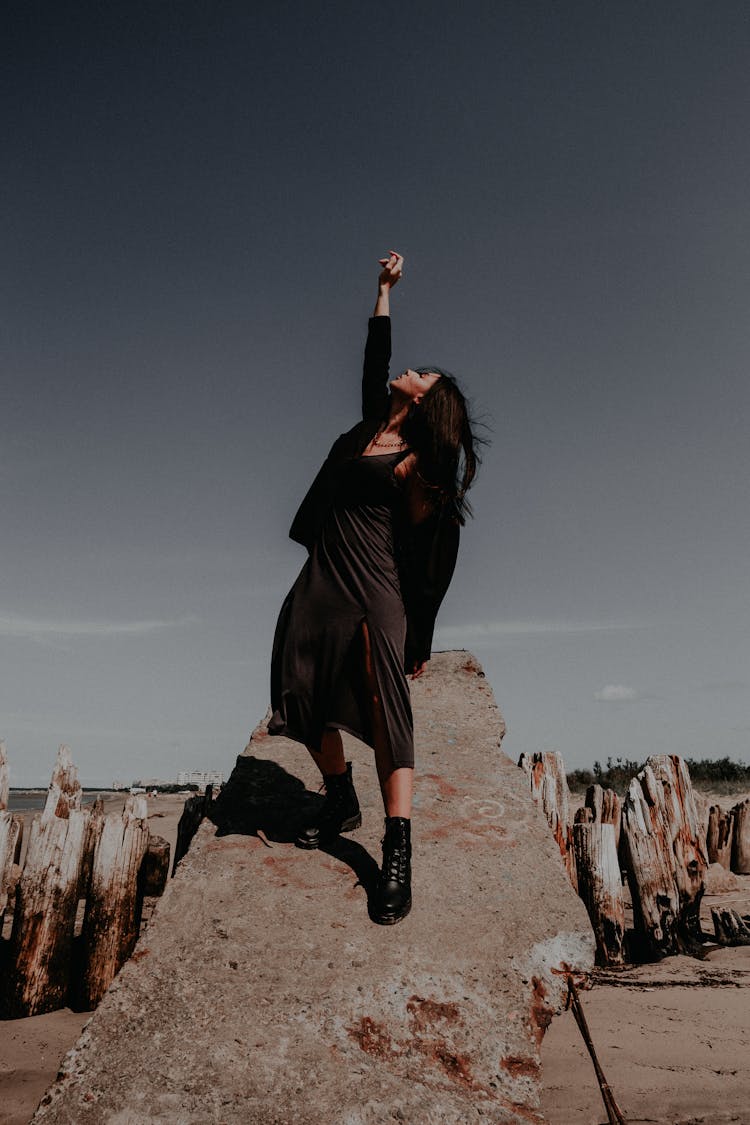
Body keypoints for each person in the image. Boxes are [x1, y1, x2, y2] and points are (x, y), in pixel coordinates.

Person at [268, 251, 480, 924]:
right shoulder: (368, 428)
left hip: (377, 587)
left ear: (424, 399)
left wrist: (421, 631)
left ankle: (396, 848)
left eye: (422, 374)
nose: (409, 369)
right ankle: (340, 796)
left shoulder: (417, 464)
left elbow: (442, 549)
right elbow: (373, 359)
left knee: (388, 709)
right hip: (323, 580)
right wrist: (382, 290)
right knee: (296, 692)